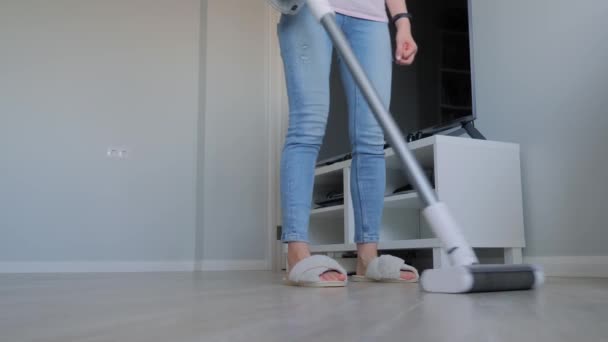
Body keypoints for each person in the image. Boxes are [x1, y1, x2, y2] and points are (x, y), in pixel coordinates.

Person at [277, 0, 420, 287]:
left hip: (371, 18)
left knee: (371, 138)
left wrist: (402, 21)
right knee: (307, 127)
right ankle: (296, 251)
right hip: (311, 8)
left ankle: (368, 256)